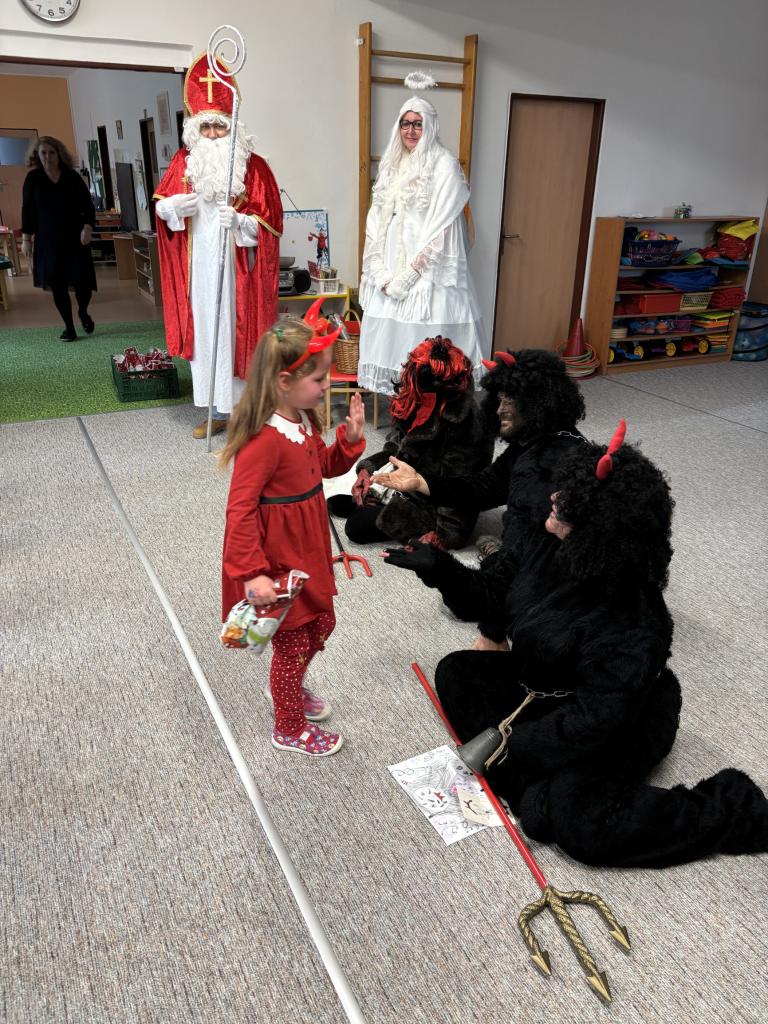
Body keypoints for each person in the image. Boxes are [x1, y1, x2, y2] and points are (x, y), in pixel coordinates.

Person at [383, 423, 768, 867]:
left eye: (566, 502)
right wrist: (441, 569)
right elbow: (493, 595)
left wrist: (513, 746)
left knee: (580, 822)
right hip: (547, 685)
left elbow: (591, 723)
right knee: (456, 672)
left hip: (618, 718)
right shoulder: (546, 541)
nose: (553, 498)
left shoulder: (635, 624)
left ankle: (733, 806)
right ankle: (535, 792)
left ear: (597, 529)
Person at [220, 301, 366, 756]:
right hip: (278, 560)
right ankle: (288, 725)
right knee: (294, 641)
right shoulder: (262, 441)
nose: (326, 386)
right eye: (319, 379)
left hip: (308, 549)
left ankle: (289, 685)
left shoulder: (298, 421)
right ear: (284, 382)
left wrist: (349, 441)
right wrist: (252, 573)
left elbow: (322, 467)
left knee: (322, 622)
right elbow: (239, 510)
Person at [372, 348, 586, 648]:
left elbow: (524, 563)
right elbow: (483, 489)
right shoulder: (541, 441)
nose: (499, 410)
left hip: (558, 586)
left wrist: (492, 631)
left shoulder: (543, 468)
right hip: (542, 560)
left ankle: (492, 554)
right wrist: (420, 482)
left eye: (509, 401)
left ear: (537, 401)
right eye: (499, 399)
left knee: (459, 626)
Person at [154, 52, 282, 439]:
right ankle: (216, 411)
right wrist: (172, 208)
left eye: (219, 126)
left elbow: (272, 225)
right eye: (205, 126)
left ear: (232, 124)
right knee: (208, 336)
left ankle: (246, 412)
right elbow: (160, 207)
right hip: (199, 272)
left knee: (237, 335)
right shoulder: (184, 162)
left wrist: (242, 222)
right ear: (195, 126)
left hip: (239, 273)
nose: (211, 134)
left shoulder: (254, 167)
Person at [357, 72, 486, 395]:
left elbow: (444, 229)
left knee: (430, 348)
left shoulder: (444, 165)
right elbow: (376, 220)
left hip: (427, 274)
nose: (411, 131)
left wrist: (410, 276)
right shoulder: (392, 164)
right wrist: (380, 273)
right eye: (406, 123)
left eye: (418, 124)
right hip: (391, 267)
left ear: (430, 127)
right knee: (398, 347)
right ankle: (406, 405)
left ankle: (432, 407)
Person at [329, 335, 494, 549]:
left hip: (432, 499)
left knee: (356, 527)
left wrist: (444, 535)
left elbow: (461, 489)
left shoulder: (467, 423)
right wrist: (368, 471)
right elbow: (395, 447)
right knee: (336, 504)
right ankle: (380, 500)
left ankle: (387, 507)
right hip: (405, 483)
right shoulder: (415, 399)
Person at [21, 136, 96, 342]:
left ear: (59, 154)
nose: (48, 157)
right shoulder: (33, 179)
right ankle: (69, 327)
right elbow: (28, 210)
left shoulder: (72, 177)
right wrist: (26, 239)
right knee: (58, 285)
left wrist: (88, 227)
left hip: (75, 238)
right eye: (43, 153)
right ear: (37, 155)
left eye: (51, 152)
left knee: (83, 283)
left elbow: (87, 205)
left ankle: (83, 311)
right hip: (48, 241)